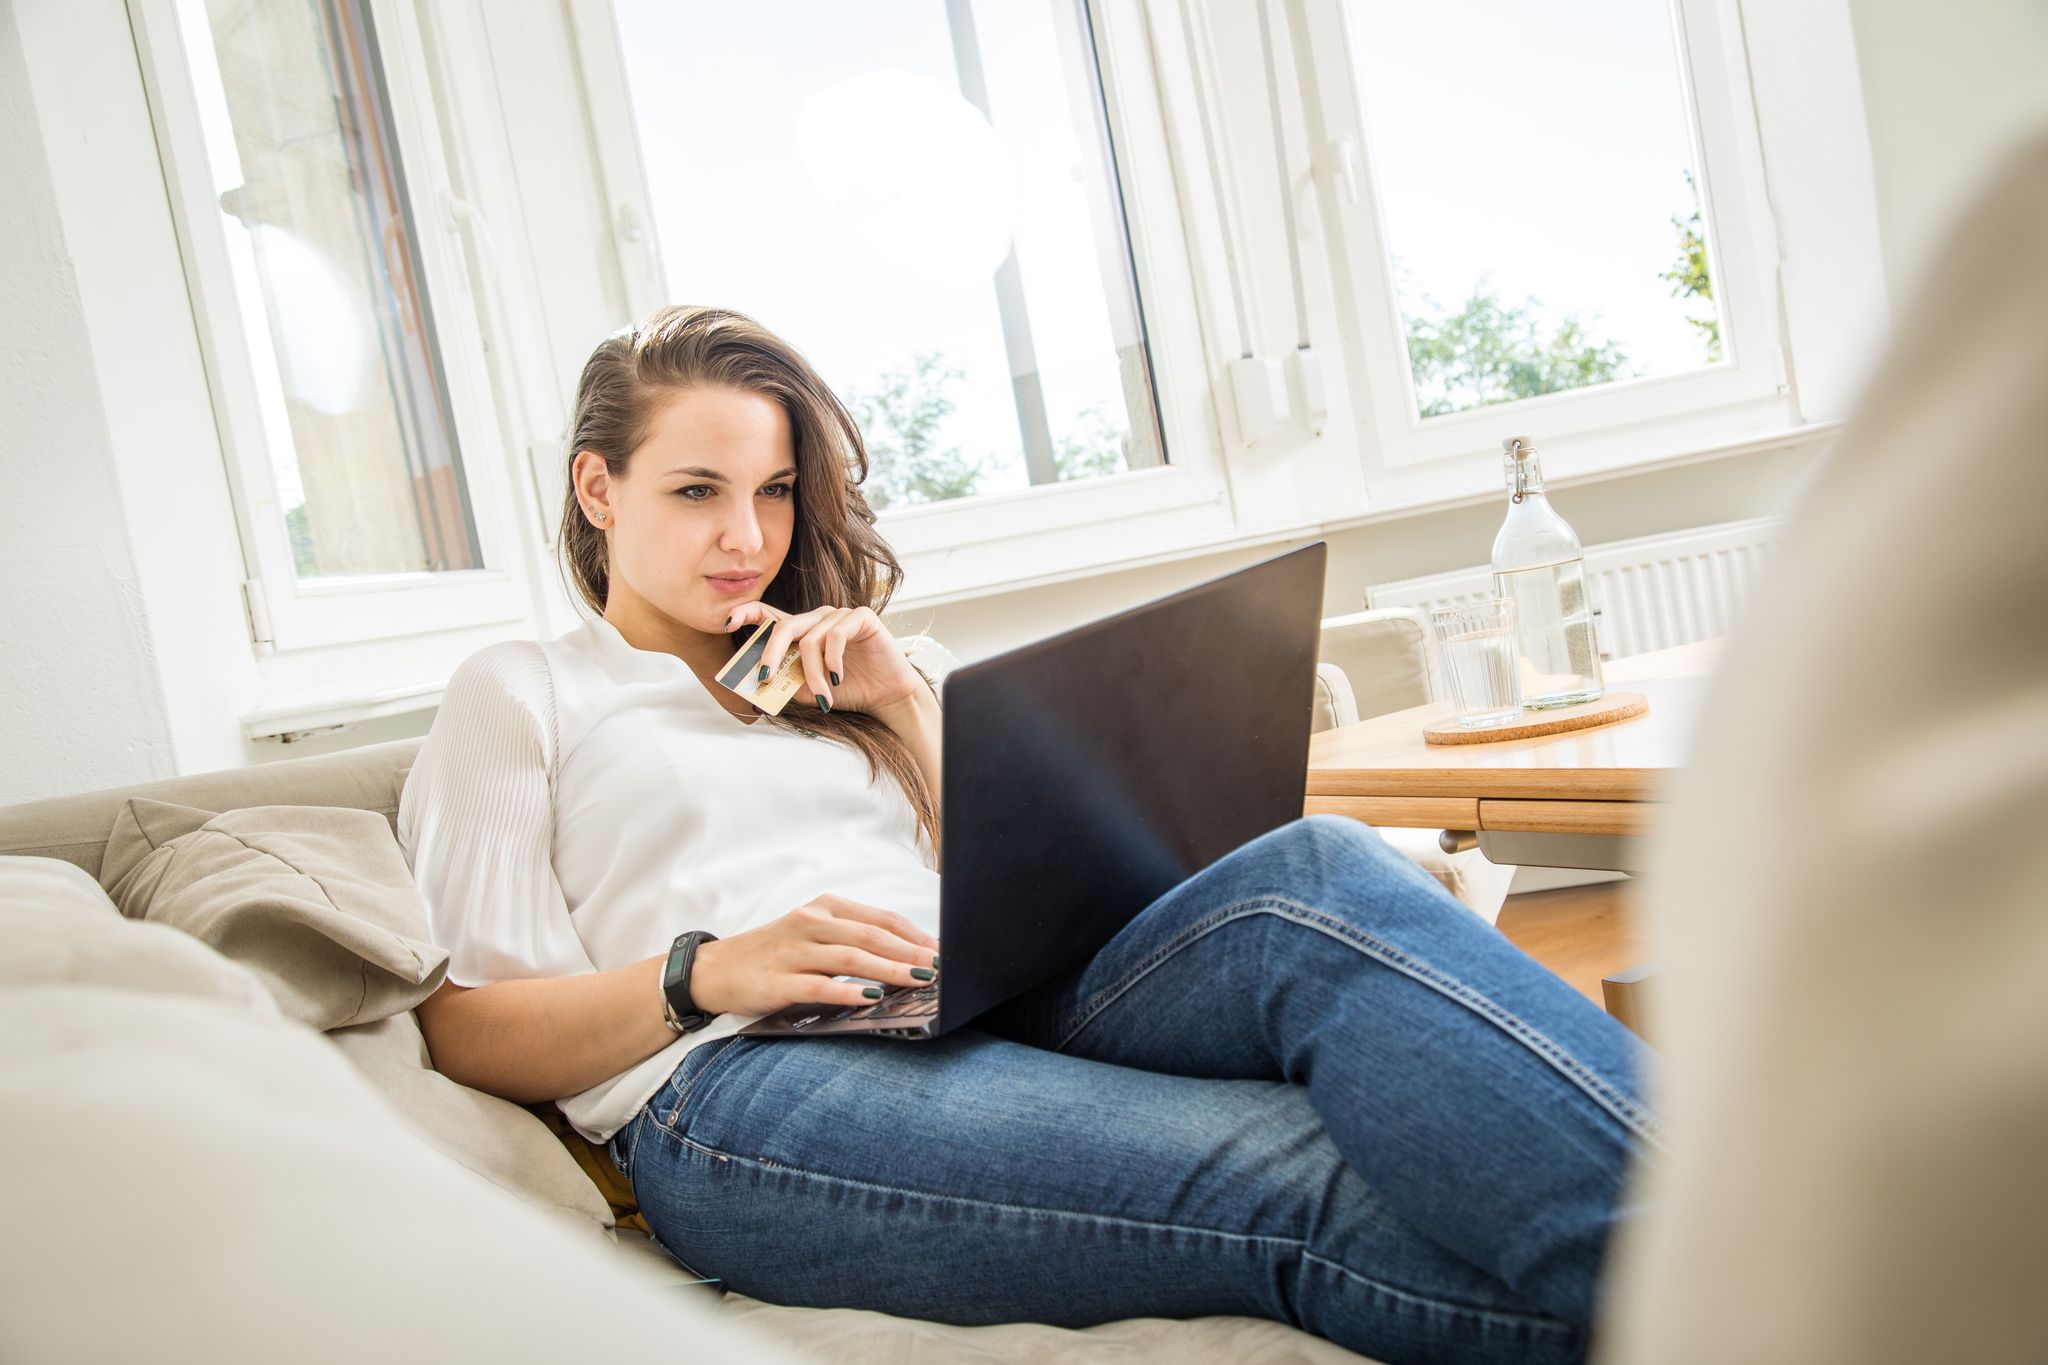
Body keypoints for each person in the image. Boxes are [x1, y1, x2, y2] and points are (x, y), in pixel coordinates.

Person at [397, 305, 1658, 1365]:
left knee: (1311, 869)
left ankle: (1733, 1222)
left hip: (981, 990)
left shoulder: (844, 670)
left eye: (774, 491)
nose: (748, 538)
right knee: (1297, 1169)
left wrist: (901, 705)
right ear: (597, 488)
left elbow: (1009, 878)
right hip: (747, 1084)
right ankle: (1727, 1300)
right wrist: (706, 971)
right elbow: (464, 1027)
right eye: (696, 492)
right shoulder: (524, 693)